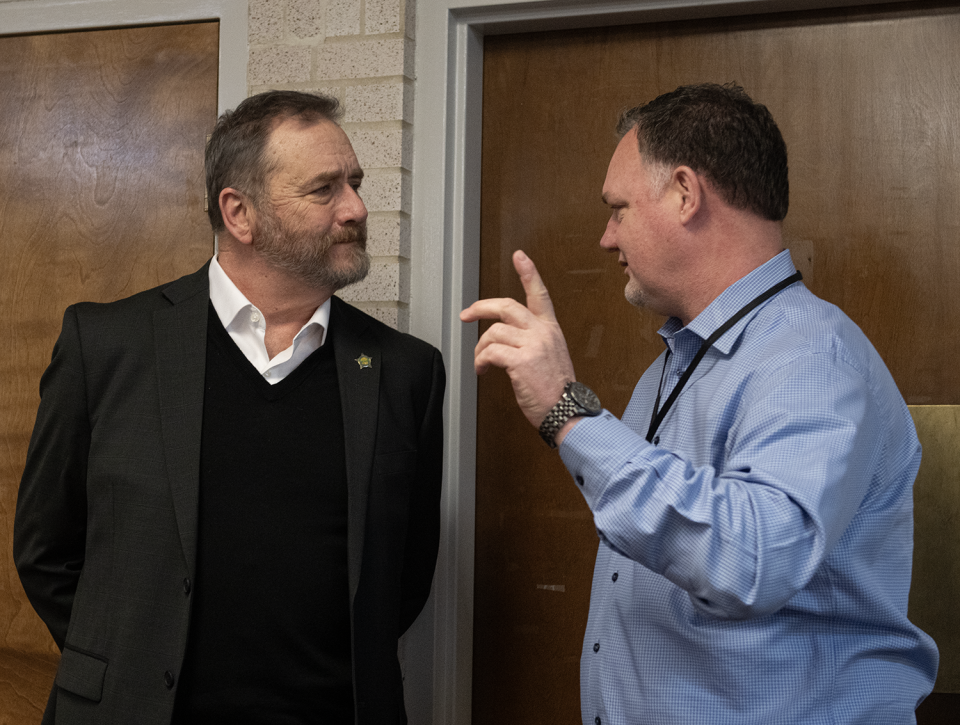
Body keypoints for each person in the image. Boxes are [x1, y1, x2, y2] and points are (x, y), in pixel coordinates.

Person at [461, 83, 937, 724]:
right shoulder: (671, 366)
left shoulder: (812, 359)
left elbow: (752, 561)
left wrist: (566, 410)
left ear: (685, 194)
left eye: (619, 209)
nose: (606, 237)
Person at [15, 90, 445, 725]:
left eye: (355, 183)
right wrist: (121, 662)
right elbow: (46, 549)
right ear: (239, 213)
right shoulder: (106, 346)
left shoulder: (405, 371)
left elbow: (402, 578)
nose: (355, 208)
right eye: (324, 189)